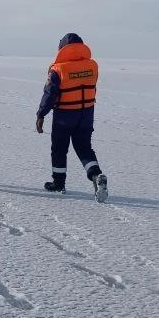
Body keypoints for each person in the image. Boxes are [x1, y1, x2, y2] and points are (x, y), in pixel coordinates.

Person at [36, 33, 109, 202]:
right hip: (86, 114)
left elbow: (50, 95)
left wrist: (41, 114)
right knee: (84, 148)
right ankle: (97, 176)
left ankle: (59, 184)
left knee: (59, 149)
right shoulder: (93, 66)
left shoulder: (58, 69)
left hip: (64, 115)